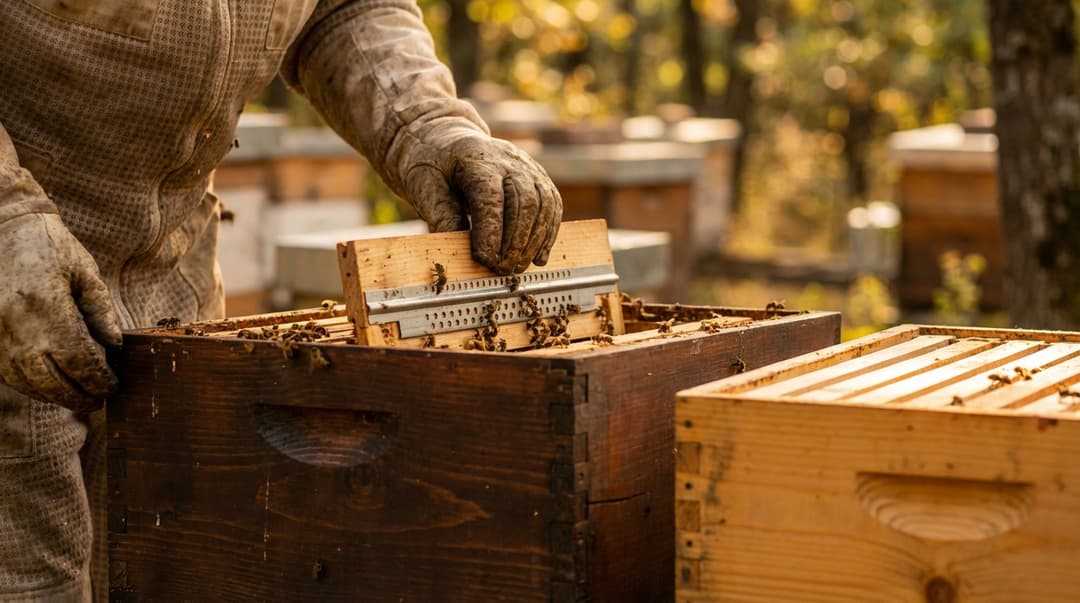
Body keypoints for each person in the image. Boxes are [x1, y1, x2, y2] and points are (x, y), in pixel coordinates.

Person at [0, 2, 562, 601]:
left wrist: (427, 122)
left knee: (173, 569)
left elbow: (348, 9)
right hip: (16, 275)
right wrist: (7, 217)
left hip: (173, 306)